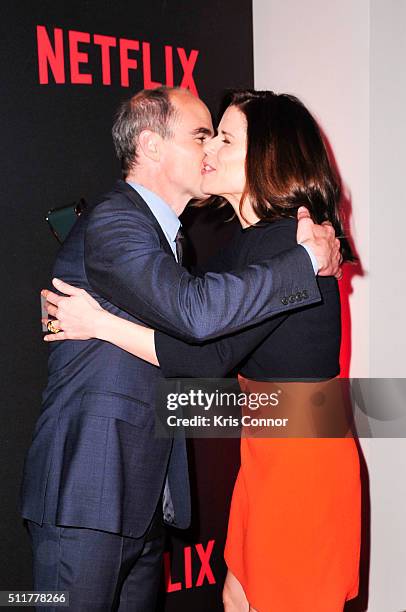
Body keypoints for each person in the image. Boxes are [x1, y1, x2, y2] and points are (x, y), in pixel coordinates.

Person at [22, 86, 340, 611]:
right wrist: (305, 261)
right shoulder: (118, 220)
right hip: (90, 492)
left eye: (221, 138)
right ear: (150, 147)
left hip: (158, 495)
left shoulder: (189, 241)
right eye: (201, 135)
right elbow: (199, 327)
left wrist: (101, 324)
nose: (209, 149)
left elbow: (208, 360)